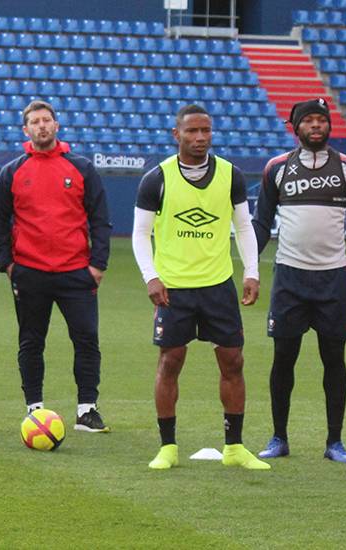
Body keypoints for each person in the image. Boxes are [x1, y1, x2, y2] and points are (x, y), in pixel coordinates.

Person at [132, 104, 269, 470]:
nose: (200, 138)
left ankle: (235, 447)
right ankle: (168, 447)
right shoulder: (156, 179)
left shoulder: (230, 175)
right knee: (171, 361)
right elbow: (140, 234)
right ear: (176, 134)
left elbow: (243, 226)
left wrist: (251, 271)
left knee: (233, 361)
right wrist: (151, 276)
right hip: (173, 288)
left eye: (206, 131)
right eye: (192, 131)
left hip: (217, 286)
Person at [252, 98, 346, 462]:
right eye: (308, 120)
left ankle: (334, 442)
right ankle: (279, 438)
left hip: (333, 279)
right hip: (289, 276)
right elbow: (261, 223)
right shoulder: (276, 169)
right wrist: (250, 266)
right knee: (283, 358)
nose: (316, 126)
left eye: (321, 120)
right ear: (296, 127)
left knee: (334, 359)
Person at [0, 100, 112, 432]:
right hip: (30, 272)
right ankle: (35, 408)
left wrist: (97, 264)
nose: (42, 126)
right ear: (25, 130)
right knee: (31, 341)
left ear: (56, 126)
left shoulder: (81, 167)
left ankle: (87, 409)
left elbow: (101, 219)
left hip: (76, 271)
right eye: (35, 122)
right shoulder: (13, 171)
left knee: (86, 339)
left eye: (47, 120)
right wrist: (8, 264)